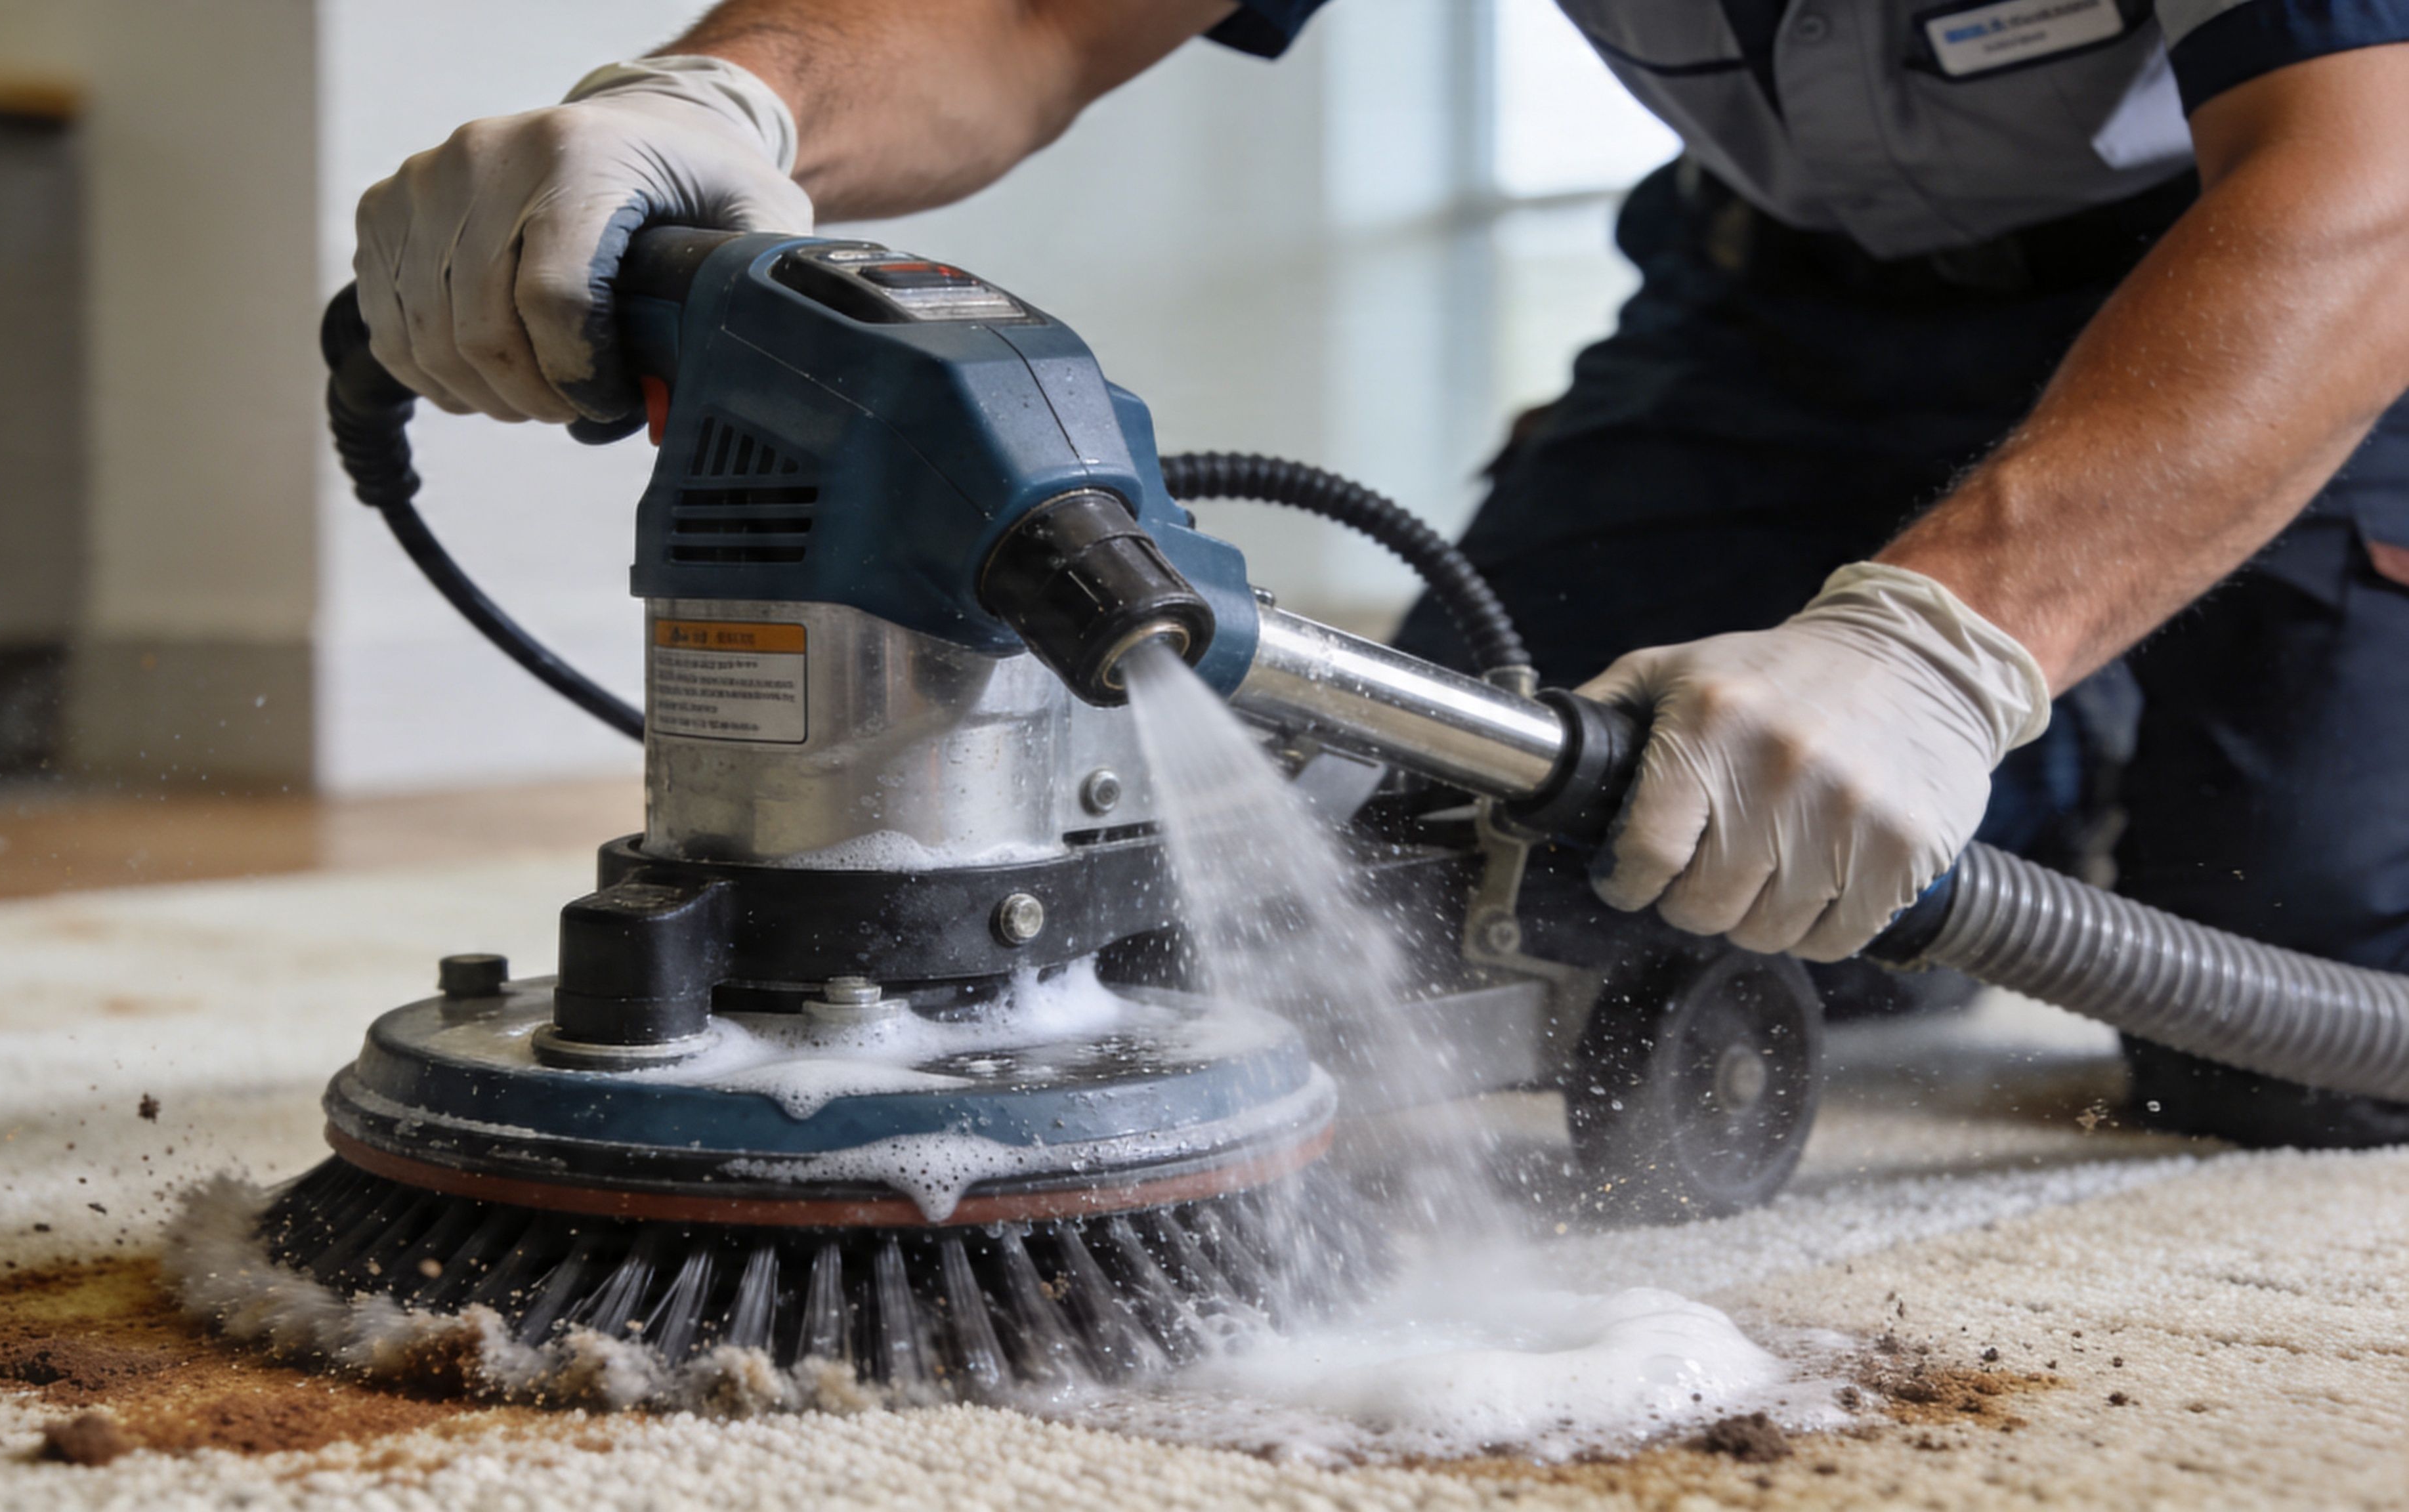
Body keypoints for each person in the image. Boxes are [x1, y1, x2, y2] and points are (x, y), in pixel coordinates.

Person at [349, 1, 2409, 1144]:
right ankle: (2048, 773)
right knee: (1525, 873)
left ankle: (2099, 700)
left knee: (2287, 1028)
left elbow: (2362, 174)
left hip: (2293, 320)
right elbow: (1036, 16)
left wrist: (1950, 648)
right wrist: (716, 100)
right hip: (1781, 323)